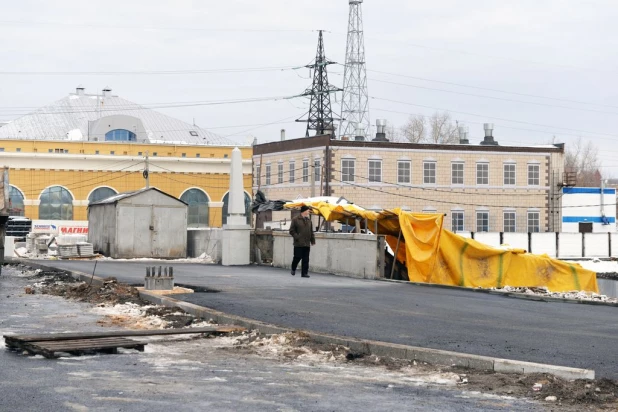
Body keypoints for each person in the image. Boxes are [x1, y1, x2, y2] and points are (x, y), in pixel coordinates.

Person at [289, 205, 315, 278]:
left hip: (307, 243)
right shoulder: (295, 219)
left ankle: (304, 273)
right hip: (298, 243)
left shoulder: (309, 221)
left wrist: (312, 240)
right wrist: (297, 237)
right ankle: (293, 268)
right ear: (304, 211)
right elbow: (291, 231)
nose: (309, 212)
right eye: (308, 210)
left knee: (306, 259)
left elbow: (311, 231)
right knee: (297, 257)